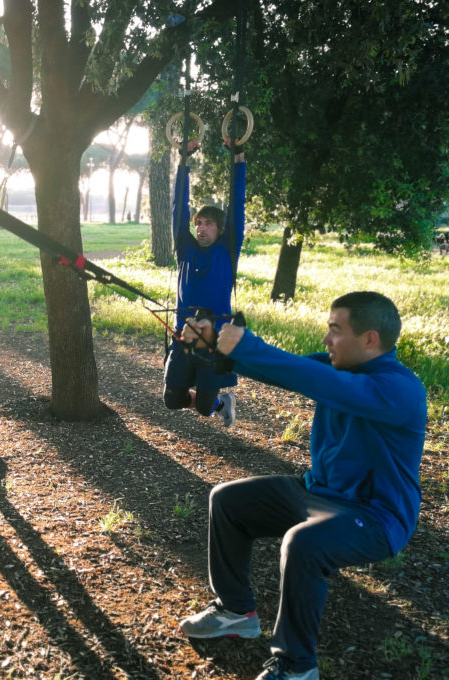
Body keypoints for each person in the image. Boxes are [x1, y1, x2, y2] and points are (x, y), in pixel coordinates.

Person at [178, 291, 427, 680]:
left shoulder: (400, 390)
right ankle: (236, 610)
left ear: (370, 339)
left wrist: (245, 345)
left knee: (304, 543)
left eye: (335, 330)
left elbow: (316, 379)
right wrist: (217, 343)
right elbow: (286, 367)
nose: (326, 340)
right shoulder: (339, 369)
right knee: (228, 500)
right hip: (318, 491)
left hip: (375, 515)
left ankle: (297, 666)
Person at [164, 141, 246, 426]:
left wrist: (238, 158)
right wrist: (183, 161)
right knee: (172, 400)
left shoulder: (227, 250)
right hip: (183, 337)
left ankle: (221, 402)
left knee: (204, 408)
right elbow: (179, 209)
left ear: (221, 230)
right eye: (199, 223)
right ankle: (215, 402)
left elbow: (237, 205)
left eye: (209, 224)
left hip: (214, 342)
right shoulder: (185, 250)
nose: (201, 228)